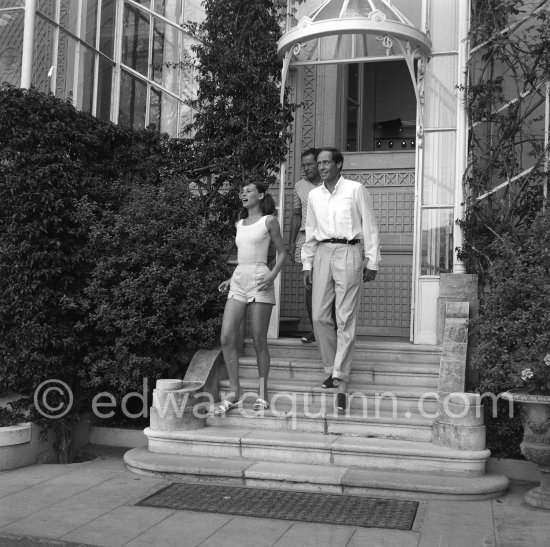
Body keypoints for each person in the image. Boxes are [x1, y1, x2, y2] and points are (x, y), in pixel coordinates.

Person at [301, 146, 381, 411]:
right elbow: (310, 230)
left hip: (349, 250)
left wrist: (372, 260)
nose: (321, 167)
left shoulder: (355, 190)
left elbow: (369, 225)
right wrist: (307, 262)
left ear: (339, 165)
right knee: (319, 316)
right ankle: (330, 366)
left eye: (326, 163)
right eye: (319, 163)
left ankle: (340, 375)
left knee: (345, 316)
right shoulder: (314, 195)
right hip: (322, 251)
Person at [215, 181, 286, 415]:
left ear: (261, 195)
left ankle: (263, 394)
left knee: (258, 340)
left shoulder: (269, 221)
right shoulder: (239, 224)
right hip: (239, 279)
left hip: (260, 279)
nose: (243, 193)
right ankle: (234, 393)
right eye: (242, 190)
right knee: (226, 337)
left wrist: (272, 276)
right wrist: (231, 277)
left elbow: (282, 253)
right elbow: (242, 256)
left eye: (248, 190)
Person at [288, 148, 322, 343]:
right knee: (309, 286)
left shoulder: (329, 184)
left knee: (329, 286)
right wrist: (292, 243)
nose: (306, 168)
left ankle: (330, 328)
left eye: (310, 164)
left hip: (326, 241)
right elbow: (296, 214)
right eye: (304, 165)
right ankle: (315, 330)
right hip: (305, 240)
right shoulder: (299, 186)